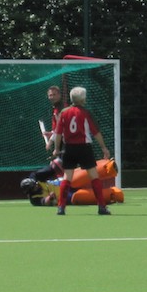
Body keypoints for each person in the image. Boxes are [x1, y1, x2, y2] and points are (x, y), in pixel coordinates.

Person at [52, 86, 112, 216]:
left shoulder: (64, 112)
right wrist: (104, 147)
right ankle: (101, 207)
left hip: (69, 148)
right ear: (82, 99)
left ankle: (61, 207)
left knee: (67, 177)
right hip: (84, 148)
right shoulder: (86, 113)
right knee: (94, 176)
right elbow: (95, 132)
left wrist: (56, 148)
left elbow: (58, 133)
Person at [20, 159, 123, 206]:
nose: (37, 185)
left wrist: (56, 165)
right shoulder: (34, 199)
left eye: (36, 183)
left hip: (63, 182)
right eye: (35, 187)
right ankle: (114, 194)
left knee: (76, 178)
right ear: (30, 191)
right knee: (78, 196)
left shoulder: (35, 177)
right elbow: (45, 202)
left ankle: (108, 167)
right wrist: (50, 198)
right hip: (66, 196)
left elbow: (51, 168)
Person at [43, 85, 66, 152]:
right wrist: (52, 133)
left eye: (54, 95)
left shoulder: (61, 108)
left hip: (66, 142)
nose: (52, 97)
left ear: (59, 95)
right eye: (50, 95)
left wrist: (50, 142)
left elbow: (61, 128)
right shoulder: (56, 107)